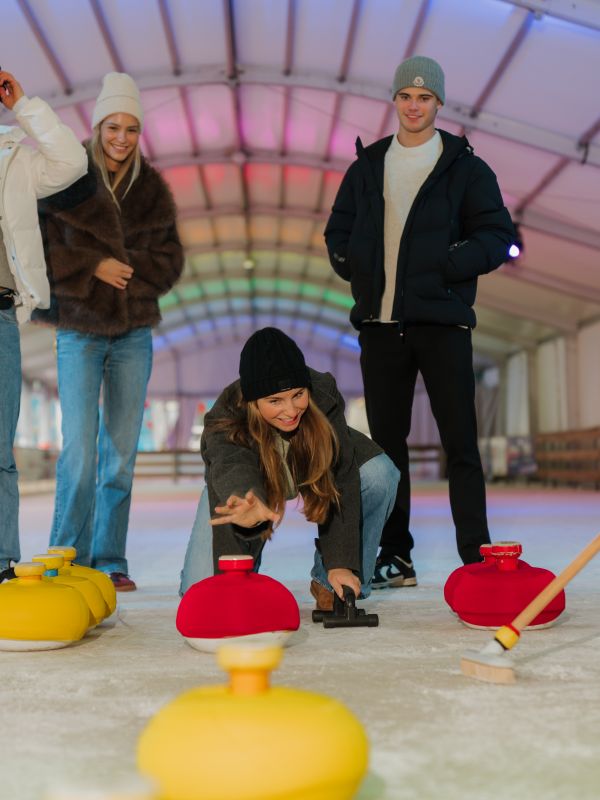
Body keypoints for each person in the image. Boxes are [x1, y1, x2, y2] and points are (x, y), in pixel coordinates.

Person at [324, 56, 515, 588]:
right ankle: (396, 554)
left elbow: (496, 234)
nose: (414, 105)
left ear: (438, 103)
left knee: (461, 442)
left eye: (424, 97)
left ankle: (476, 557)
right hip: (381, 326)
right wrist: (355, 265)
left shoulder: (465, 168)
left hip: (442, 323)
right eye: (406, 96)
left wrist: (451, 265)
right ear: (394, 101)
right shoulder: (368, 166)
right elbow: (337, 230)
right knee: (387, 448)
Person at [38, 72, 184, 591]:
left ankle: (109, 559)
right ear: (99, 124)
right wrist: (93, 265)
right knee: (79, 449)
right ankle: (65, 556)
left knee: (120, 454)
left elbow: (170, 258)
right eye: (113, 127)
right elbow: (41, 247)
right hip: (79, 329)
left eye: (131, 129)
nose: (121, 138)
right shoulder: (68, 174)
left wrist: (130, 275)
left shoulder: (152, 189)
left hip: (132, 335)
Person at [180, 327, 400, 609]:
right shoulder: (226, 414)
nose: (290, 410)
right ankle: (239, 576)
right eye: (274, 401)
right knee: (203, 598)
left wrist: (342, 563)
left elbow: (341, 474)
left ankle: (330, 584)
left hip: (311, 465)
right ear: (253, 402)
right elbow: (230, 464)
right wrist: (247, 500)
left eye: (297, 394)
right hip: (245, 487)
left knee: (379, 473)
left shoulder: (323, 396)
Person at [0, 70, 87, 583]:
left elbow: (72, 162)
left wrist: (24, 105)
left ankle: (0, 560)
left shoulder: (15, 159)